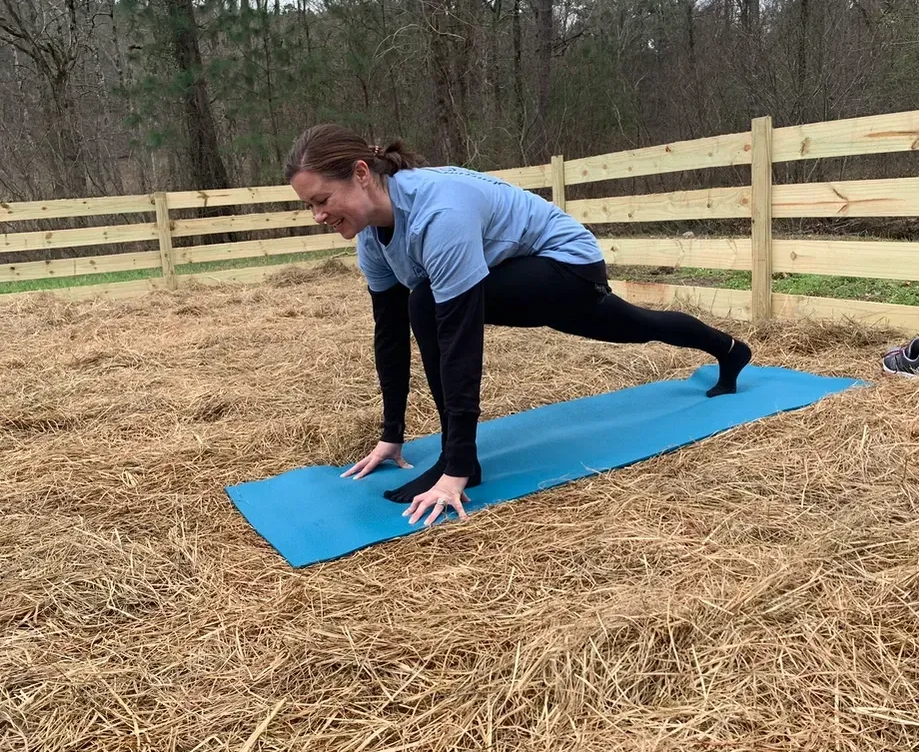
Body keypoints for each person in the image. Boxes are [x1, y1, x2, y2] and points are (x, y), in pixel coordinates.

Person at [285, 125, 752, 527]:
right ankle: (730, 351)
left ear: (362, 174)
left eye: (322, 200)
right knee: (635, 324)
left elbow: (459, 341)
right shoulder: (371, 236)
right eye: (309, 206)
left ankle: (461, 460)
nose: (319, 215)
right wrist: (392, 434)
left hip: (567, 266)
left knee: (428, 303)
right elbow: (389, 335)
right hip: (519, 273)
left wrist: (457, 468)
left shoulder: (438, 212)